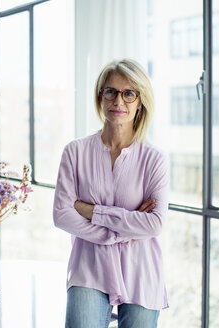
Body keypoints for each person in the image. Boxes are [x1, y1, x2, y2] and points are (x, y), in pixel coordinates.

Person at [53, 58, 169, 328]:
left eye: (129, 93)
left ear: (140, 100)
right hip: (89, 266)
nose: (119, 101)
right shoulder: (75, 151)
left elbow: (155, 223)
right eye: (111, 92)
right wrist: (121, 231)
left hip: (141, 270)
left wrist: (92, 211)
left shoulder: (154, 158)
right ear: (100, 97)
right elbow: (62, 215)